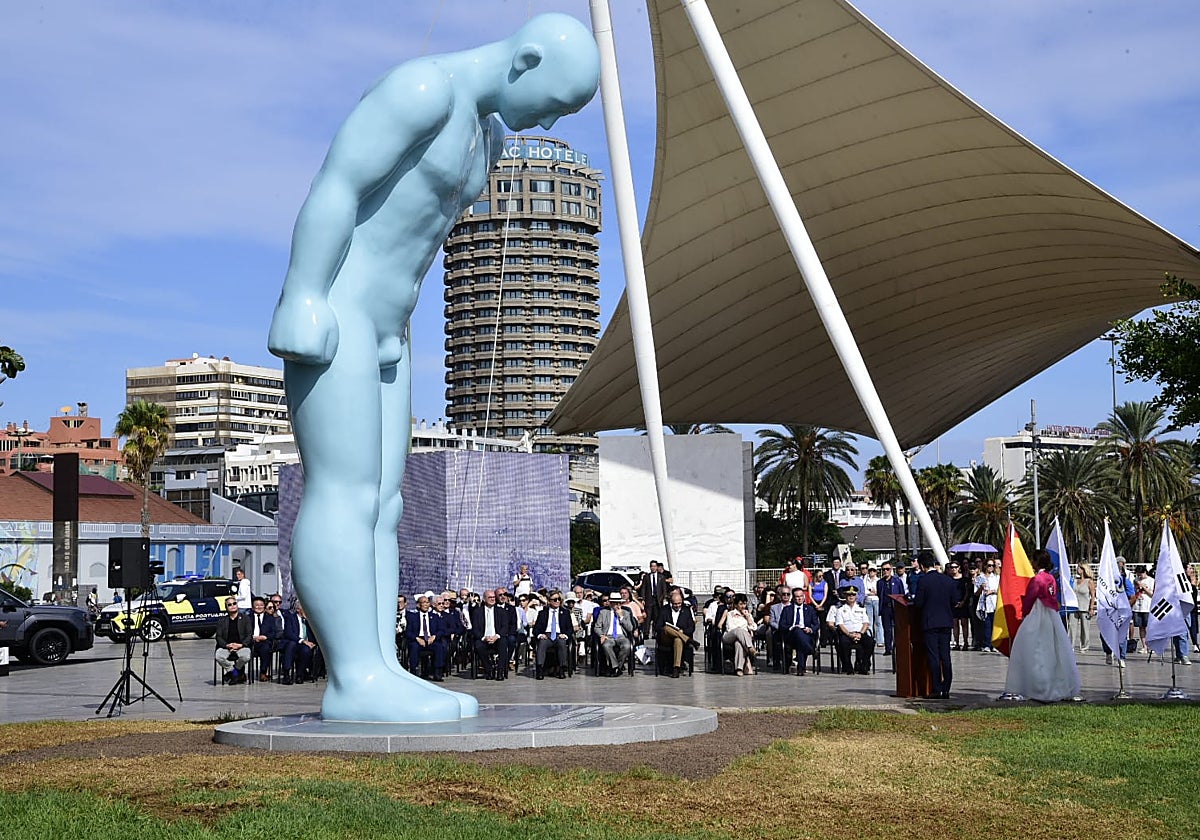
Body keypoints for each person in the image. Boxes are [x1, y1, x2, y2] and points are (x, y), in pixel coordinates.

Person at [266, 13, 599, 722]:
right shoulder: (422, 89)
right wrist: (303, 293)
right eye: (553, 103)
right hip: (342, 311)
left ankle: (378, 665)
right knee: (345, 493)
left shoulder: (489, 134)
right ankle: (352, 678)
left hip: (392, 328)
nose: (547, 123)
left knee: (384, 505)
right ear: (527, 60)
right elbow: (337, 186)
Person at [1003, 549, 1082, 702]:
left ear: (1037, 562)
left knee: (1035, 649)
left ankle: (1038, 687)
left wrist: (1024, 613)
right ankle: (1057, 685)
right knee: (1053, 649)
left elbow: (1030, 599)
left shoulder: (1037, 580)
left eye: (1033, 560)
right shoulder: (1051, 578)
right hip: (1051, 615)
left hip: (1038, 614)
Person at [912, 551, 955, 698]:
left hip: (930, 623)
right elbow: (954, 600)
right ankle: (946, 688)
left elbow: (918, 603)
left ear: (922, 566)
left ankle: (936, 689)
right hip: (946, 622)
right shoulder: (948, 580)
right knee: (945, 656)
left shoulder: (923, 581)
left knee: (934, 656)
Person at [470, 590, 513, 680]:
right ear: (484, 599)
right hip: (484, 638)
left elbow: (505, 627)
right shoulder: (477, 612)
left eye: (493, 597)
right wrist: (484, 638)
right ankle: (489, 669)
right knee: (478, 645)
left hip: (497, 638)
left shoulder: (501, 611)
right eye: (490, 597)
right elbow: (475, 629)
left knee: (504, 642)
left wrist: (496, 636)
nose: (492, 599)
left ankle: (500, 671)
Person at [655, 587, 697, 677]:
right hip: (666, 638)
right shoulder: (664, 610)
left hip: (680, 639)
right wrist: (668, 629)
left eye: (679, 603)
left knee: (678, 640)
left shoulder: (686, 610)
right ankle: (688, 640)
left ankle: (676, 668)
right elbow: (658, 626)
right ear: (671, 602)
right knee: (666, 628)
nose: (677, 606)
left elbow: (691, 627)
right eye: (675, 604)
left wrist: (683, 631)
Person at [832, 584, 873, 675]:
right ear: (845, 596)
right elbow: (840, 625)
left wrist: (860, 634)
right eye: (849, 595)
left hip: (860, 633)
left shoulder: (861, 609)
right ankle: (848, 667)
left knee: (870, 641)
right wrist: (849, 634)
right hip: (847, 634)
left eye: (853, 594)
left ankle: (864, 665)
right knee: (843, 643)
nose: (851, 597)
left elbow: (866, 623)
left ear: (856, 596)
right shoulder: (840, 610)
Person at [531, 590, 574, 679]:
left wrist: (565, 635)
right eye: (554, 599)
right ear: (549, 601)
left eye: (559, 599)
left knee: (562, 643)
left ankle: (561, 669)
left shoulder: (565, 613)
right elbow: (536, 629)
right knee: (542, 643)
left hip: (559, 635)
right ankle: (540, 668)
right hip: (547, 635)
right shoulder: (542, 613)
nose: (557, 601)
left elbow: (570, 628)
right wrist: (540, 635)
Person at [778, 587, 820, 675]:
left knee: (800, 642)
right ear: (793, 598)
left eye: (801, 596)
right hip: (791, 636)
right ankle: (811, 650)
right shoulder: (787, 609)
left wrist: (810, 629)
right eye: (797, 597)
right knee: (797, 631)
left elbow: (816, 625)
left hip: (806, 635)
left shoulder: (810, 609)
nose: (799, 598)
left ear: (804, 597)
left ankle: (800, 669)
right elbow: (781, 625)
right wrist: (791, 627)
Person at [594, 594, 636, 675]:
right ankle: (616, 667)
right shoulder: (603, 612)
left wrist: (621, 617)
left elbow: (630, 628)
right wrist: (601, 635)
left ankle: (617, 667)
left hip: (621, 636)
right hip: (608, 636)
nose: (617, 605)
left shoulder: (626, 613)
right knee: (606, 645)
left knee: (627, 646)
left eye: (619, 603)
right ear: (611, 603)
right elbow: (597, 627)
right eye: (615, 603)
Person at [215, 595, 252, 684]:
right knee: (219, 656)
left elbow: (249, 635)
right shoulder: (222, 620)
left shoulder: (245, 619)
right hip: (227, 646)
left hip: (241, 646)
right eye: (229, 604)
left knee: (246, 656)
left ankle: (234, 673)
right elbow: (218, 636)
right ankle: (235, 673)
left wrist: (241, 645)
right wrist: (227, 645)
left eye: (234, 603)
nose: (232, 606)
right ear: (226, 608)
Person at [718, 593, 758, 675]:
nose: (743, 606)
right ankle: (750, 648)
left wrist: (748, 618)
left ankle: (739, 669)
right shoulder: (730, 614)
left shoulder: (747, 614)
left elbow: (754, 627)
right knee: (738, 630)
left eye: (744, 604)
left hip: (742, 639)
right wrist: (744, 629)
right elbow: (730, 627)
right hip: (729, 636)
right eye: (741, 604)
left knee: (738, 644)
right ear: (736, 605)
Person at [876, 561, 905, 655]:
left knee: (897, 628)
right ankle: (888, 648)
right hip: (885, 608)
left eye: (887, 569)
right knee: (887, 629)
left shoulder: (897, 581)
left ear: (891, 569)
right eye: (884, 569)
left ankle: (898, 647)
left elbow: (901, 594)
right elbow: (879, 594)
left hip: (895, 607)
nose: (886, 571)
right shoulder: (880, 582)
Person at [249, 596, 280, 681]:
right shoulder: (247, 618)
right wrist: (252, 637)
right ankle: (238, 673)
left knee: (266, 648)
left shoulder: (270, 618)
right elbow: (243, 632)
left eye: (261, 605)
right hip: (250, 641)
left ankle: (263, 672)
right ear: (253, 607)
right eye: (257, 605)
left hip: (264, 641)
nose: (259, 607)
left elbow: (274, 632)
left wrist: (265, 637)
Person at [1069, 561, 1096, 652]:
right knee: (1072, 627)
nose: (1078, 569)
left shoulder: (1089, 582)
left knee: (1085, 628)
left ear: (1084, 569)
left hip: (1085, 608)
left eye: (1080, 568)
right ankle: (1070, 645)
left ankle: (1084, 646)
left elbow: (1093, 595)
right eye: (1078, 567)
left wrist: (1091, 608)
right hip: (1074, 607)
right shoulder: (1074, 581)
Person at [974, 559, 999, 653]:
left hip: (994, 603)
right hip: (984, 605)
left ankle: (994, 645)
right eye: (989, 565)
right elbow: (976, 593)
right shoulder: (980, 578)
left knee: (994, 625)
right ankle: (986, 644)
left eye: (993, 565)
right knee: (986, 626)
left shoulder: (996, 577)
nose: (991, 567)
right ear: (985, 566)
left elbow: (1000, 590)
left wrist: (992, 591)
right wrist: (981, 587)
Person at [948, 561, 971, 650]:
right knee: (955, 624)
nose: (954, 569)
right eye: (952, 567)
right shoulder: (949, 579)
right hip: (953, 604)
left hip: (963, 604)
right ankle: (957, 643)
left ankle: (965, 642)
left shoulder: (964, 579)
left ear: (959, 568)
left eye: (955, 567)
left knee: (964, 623)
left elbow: (967, 592)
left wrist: (963, 601)